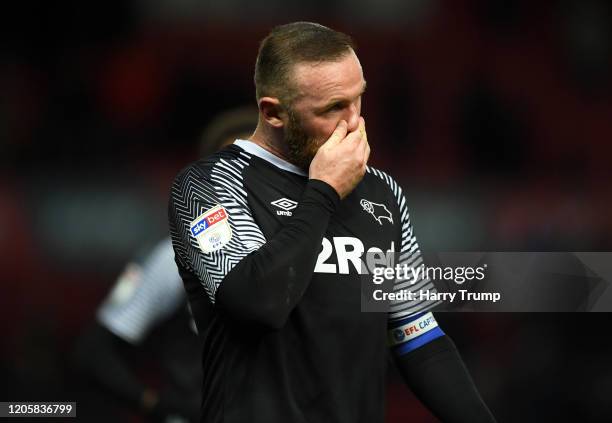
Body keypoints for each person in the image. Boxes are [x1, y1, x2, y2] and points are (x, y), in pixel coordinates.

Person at [168, 22, 495, 423]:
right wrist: (324, 191)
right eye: (333, 109)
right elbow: (257, 305)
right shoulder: (208, 185)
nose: (355, 122)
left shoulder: (382, 192)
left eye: (358, 99)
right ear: (273, 112)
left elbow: (417, 336)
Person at [73, 107, 258, 423]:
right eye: (227, 167)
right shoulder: (170, 255)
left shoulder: (319, 253)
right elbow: (95, 352)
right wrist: (156, 405)